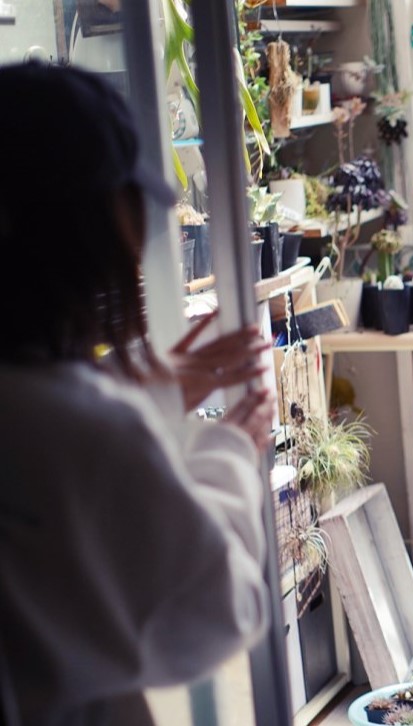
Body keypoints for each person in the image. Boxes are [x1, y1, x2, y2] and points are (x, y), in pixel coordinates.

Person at [0, 61, 274, 725]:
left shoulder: (42, 406)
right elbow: (216, 615)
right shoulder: (84, 425)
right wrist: (227, 449)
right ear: (88, 227)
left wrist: (144, 399)